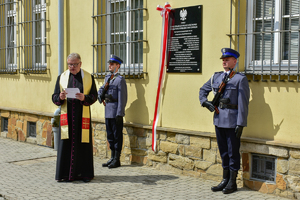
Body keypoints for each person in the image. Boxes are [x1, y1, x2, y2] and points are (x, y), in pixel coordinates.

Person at [199, 48, 250, 194]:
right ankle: (224, 179)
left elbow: (243, 103)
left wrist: (241, 123)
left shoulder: (240, 79)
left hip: (233, 121)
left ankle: (232, 182)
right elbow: (202, 90)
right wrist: (205, 102)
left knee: (233, 151)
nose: (224, 62)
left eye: (227, 59)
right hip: (218, 118)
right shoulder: (216, 77)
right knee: (223, 151)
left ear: (235, 61)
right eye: (223, 59)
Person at [52, 53, 97, 182]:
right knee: (65, 145)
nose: (72, 67)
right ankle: (64, 174)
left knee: (83, 145)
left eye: (75, 64)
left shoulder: (88, 77)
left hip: (82, 118)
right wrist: (59, 98)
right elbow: (54, 96)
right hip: (67, 119)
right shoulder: (62, 77)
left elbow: (94, 96)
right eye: (70, 64)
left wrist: (85, 98)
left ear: (80, 64)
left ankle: (84, 174)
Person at [98, 55, 127, 169]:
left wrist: (120, 113)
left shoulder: (120, 80)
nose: (109, 65)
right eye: (109, 64)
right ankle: (112, 157)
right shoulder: (107, 78)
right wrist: (100, 94)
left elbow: (122, 98)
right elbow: (101, 89)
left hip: (115, 112)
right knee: (110, 136)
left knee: (117, 136)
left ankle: (117, 159)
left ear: (117, 66)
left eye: (112, 64)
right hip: (108, 111)